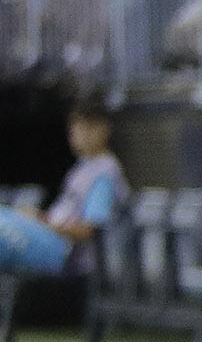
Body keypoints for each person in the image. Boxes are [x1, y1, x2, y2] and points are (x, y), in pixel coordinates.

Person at [0, 100, 122, 288]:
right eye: (76, 128)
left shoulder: (104, 173)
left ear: (104, 129)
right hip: (50, 236)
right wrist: (39, 217)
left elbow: (89, 231)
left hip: (65, 253)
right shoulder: (82, 168)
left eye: (88, 127)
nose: (81, 135)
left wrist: (44, 222)